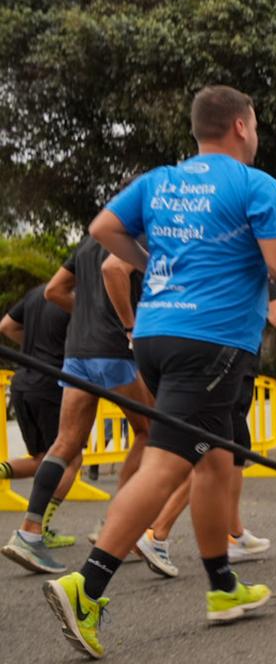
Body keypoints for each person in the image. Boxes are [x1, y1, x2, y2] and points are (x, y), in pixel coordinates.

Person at [36, 85, 276, 659]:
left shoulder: (160, 181)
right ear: (240, 126)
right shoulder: (255, 185)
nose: (255, 134)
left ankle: (223, 587)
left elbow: (103, 228)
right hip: (213, 341)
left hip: (155, 334)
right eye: (255, 125)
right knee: (168, 462)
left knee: (215, 458)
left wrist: (153, 260)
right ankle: (87, 586)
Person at [2, 235, 159, 574]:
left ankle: (29, 533)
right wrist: (128, 326)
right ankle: (114, 525)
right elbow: (114, 269)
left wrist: (89, 316)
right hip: (113, 349)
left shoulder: (89, 243)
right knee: (149, 431)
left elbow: (54, 290)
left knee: (65, 442)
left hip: (76, 352)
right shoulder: (140, 237)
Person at [138, 284, 276, 576]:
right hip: (227, 363)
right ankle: (156, 533)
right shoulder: (254, 266)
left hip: (209, 359)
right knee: (209, 458)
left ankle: (233, 533)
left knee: (233, 452)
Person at [1, 282, 82, 546]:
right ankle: (39, 528)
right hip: (51, 383)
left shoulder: (36, 292)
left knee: (42, 459)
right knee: (69, 458)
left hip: (23, 380)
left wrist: (34, 352)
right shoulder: (78, 297)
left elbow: (6, 326)